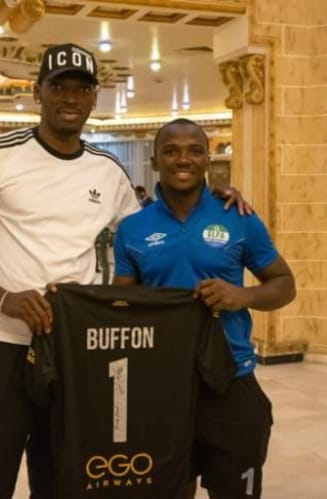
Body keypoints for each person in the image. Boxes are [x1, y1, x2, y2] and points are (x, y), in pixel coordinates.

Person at [0, 43, 251, 499]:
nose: (70, 97)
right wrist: (3, 299)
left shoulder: (107, 170)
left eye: (82, 88)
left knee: (66, 459)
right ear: (37, 93)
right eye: (59, 87)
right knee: (2, 461)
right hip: (9, 338)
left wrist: (213, 196)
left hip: (76, 341)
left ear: (94, 99)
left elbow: (146, 233)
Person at [112, 119, 295, 499]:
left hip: (231, 381)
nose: (184, 159)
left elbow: (284, 285)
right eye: (171, 151)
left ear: (208, 159)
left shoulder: (239, 217)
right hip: (161, 385)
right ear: (155, 159)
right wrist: (69, 300)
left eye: (195, 150)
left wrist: (241, 296)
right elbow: (121, 306)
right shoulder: (133, 229)